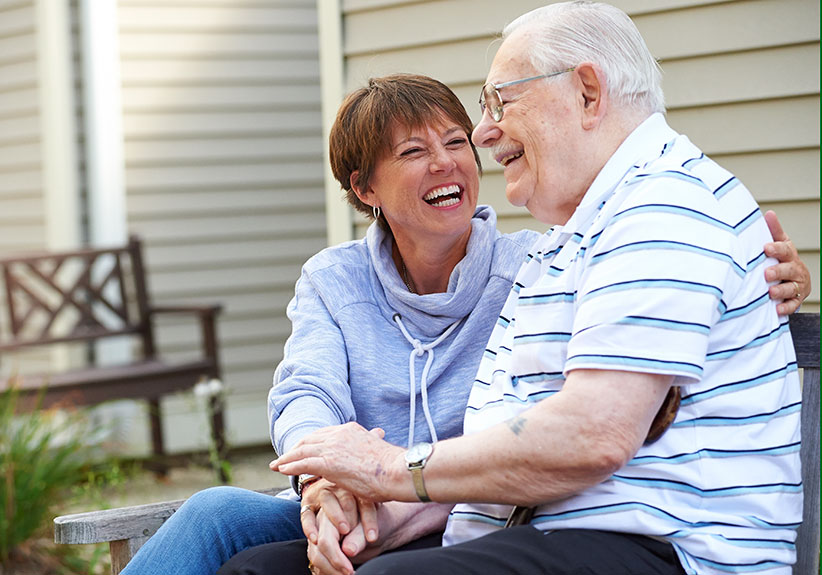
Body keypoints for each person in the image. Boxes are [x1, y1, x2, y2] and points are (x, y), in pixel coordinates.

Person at [121, 78, 808, 575]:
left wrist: (770, 270)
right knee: (216, 514)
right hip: (368, 504)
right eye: (413, 151)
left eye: (456, 142)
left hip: (474, 508)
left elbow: (657, 277)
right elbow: (307, 391)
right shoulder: (335, 279)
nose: (446, 161)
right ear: (364, 188)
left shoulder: (535, 264)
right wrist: (324, 481)